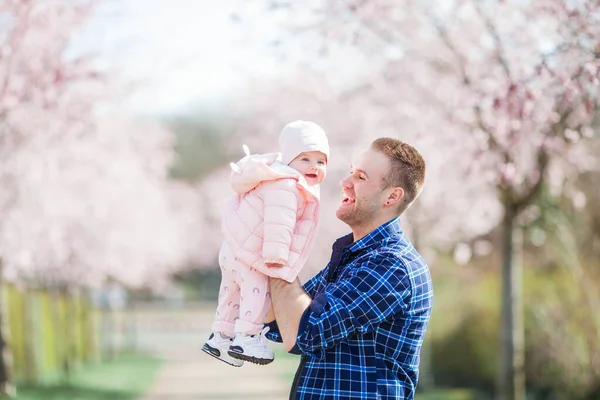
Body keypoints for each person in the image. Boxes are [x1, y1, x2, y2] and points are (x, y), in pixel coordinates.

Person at [265, 137, 434, 399]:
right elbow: (277, 320)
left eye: (361, 177)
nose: (345, 183)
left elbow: (303, 333)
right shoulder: (355, 257)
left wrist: (277, 251)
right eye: (350, 173)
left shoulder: (392, 267)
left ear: (392, 196)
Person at [202, 120, 330, 367]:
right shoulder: (287, 184)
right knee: (257, 293)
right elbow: (278, 222)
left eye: (321, 161)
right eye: (305, 159)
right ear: (289, 160)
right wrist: (276, 257)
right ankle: (247, 338)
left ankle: (220, 338)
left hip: (234, 247)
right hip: (255, 254)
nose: (314, 166)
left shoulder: (278, 178)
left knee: (231, 294)